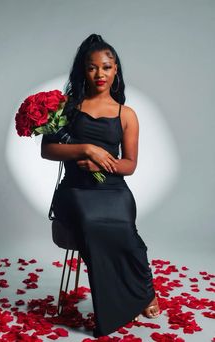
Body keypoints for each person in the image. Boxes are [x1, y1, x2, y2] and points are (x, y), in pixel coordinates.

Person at [41, 33, 160, 338]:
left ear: (116, 69)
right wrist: (87, 149)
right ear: (83, 70)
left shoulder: (127, 114)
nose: (100, 74)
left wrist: (102, 165)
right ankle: (126, 302)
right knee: (94, 222)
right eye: (93, 68)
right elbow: (48, 150)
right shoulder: (67, 107)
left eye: (106, 67)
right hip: (76, 191)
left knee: (122, 224)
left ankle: (144, 291)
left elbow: (129, 165)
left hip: (114, 190)